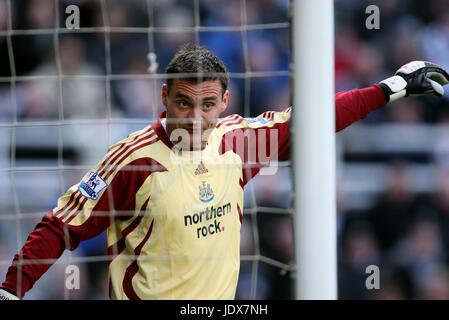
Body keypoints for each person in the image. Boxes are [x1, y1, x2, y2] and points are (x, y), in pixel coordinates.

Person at [1, 45, 448, 300]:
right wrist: (10, 291)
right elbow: (60, 226)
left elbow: (312, 118)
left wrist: (390, 88)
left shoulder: (238, 141)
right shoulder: (134, 161)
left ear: (225, 102)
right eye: (183, 103)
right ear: (164, 96)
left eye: (208, 105)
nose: (195, 117)